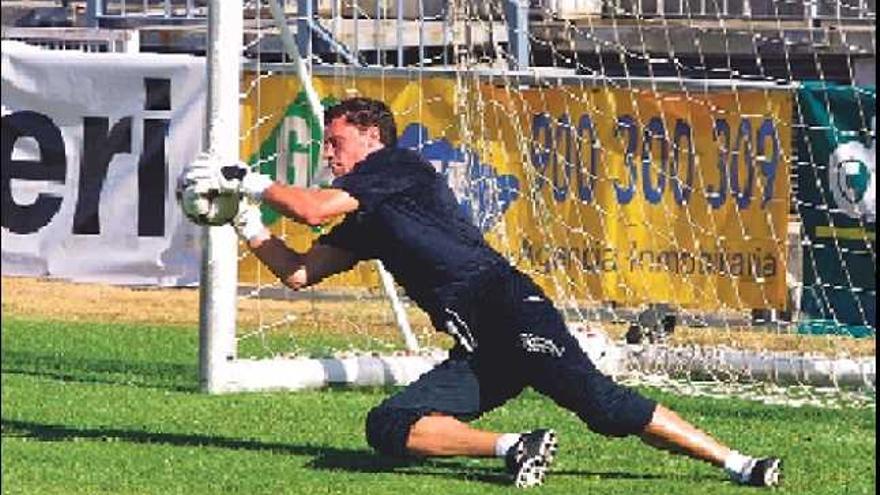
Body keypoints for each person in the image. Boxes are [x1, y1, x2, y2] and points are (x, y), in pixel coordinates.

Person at [182, 97, 782, 488]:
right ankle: (513, 447)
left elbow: (311, 212)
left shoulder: (398, 167)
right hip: (481, 347)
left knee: (603, 408)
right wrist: (244, 221)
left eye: (335, 141)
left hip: (509, 309)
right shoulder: (368, 212)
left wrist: (249, 179)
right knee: (389, 426)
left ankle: (741, 465)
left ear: (371, 137)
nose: (328, 153)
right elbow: (299, 272)